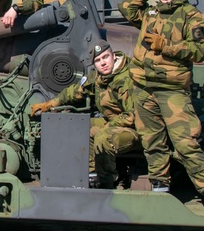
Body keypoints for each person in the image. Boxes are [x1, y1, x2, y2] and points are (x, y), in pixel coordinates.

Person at [119, 0, 204, 217]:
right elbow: (127, 7)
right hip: (143, 86)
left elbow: (200, 50)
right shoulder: (149, 13)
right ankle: (160, 189)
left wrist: (166, 46)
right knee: (152, 142)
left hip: (171, 89)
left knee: (185, 144)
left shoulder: (191, 17)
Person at [29, 39, 140, 189]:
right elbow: (76, 91)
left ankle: (106, 181)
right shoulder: (99, 78)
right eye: (98, 60)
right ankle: (91, 173)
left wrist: (108, 126)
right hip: (113, 122)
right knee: (79, 126)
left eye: (106, 57)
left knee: (102, 136)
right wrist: (51, 103)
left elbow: (131, 116)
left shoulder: (127, 79)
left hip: (133, 129)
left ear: (113, 56)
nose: (103, 63)